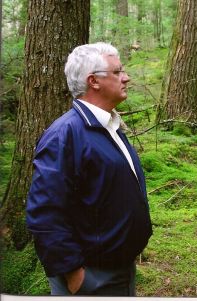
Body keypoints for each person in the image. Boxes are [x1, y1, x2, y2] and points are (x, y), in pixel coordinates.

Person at [26, 42, 152, 296]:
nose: (126, 77)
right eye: (117, 72)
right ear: (93, 81)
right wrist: (74, 273)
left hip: (120, 269)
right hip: (92, 278)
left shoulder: (109, 126)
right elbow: (45, 211)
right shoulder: (65, 134)